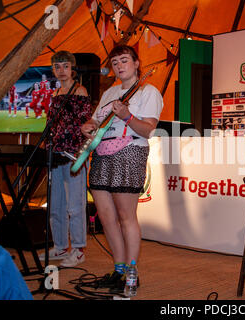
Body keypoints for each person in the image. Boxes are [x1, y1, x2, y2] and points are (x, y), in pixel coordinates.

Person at [81, 45, 163, 293]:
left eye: (124, 60)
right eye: (115, 62)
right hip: (102, 153)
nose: (119, 66)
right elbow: (96, 121)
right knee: (106, 218)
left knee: (127, 217)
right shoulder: (109, 92)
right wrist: (89, 126)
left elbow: (149, 130)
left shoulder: (149, 92)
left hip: (129, 152)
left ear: (137, 63)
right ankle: (118, 270)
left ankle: (131, 274)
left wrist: (127, 116)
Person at [39, 51, 92, 268]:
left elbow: (85, 123)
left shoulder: (79, 90)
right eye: (57, 66)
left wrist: (81, 151)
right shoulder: (55, 94)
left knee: (75, 204)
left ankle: (78, 248)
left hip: (73, 153)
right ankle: (60, 245)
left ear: (72, 68)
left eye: (65, 66)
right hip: (55, 153)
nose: (61, 70)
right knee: (56, 203)